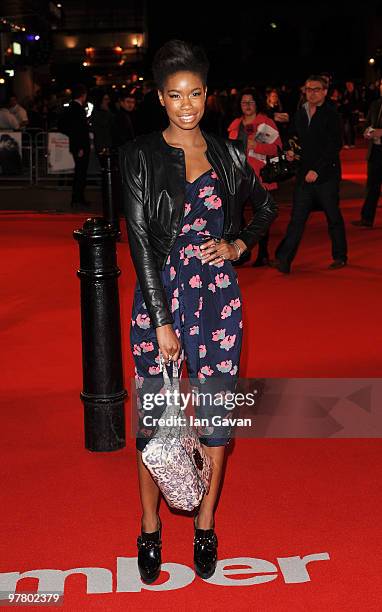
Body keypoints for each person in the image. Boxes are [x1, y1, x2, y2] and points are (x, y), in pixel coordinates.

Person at [119, 39, 277, 584]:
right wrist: (161, 320)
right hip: (158, 292)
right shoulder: (139, 154)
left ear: (207, 95)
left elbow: (268, 204)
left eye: (196, 94)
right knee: (154, 419)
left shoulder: (228, 153)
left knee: (215, 417)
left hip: (217, 297)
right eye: (175, 95)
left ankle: (205, 521)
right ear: (160, 98)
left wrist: (237, 246)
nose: (187, 104)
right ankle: (148, 526)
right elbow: (139, 239)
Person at [271, 75, 347, 273]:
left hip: (326, 176)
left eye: (316, 89)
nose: (311, 93)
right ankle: (284, 259)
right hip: (304, 174)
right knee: (297, 218)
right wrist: (290, 150)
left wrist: (317, 170)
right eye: (308, 89)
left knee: (333, 217)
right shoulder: (301, 112)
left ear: (324, 91)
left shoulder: (332, 113)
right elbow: (293, 136)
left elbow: (334, 145)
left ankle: (340, 256)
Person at [228, 88, 282, 266]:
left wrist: (256, 146)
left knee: (262, 215)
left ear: (257, 104)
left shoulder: (265, 123)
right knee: (236, 217)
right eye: (244, 102)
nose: (248, 106)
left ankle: (263, 253)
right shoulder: (235, 124)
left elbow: (276, 149)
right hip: (239, 176)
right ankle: (242, 252)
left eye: (251, 102)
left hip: (260, 176)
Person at [351, 80, 382, 228]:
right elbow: (368, 122)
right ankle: (367, 219)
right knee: (372, 187)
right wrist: (366, 130)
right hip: (375, 151)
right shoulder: (375, 104)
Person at [58, 84, 91, 208]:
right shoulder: (77, 109)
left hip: (77, 145)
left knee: (79, 172)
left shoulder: (71, 108)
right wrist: (80, 146)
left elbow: (63, 126)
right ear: (83, 95)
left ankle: (77, 198)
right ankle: (78, 198)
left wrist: (72, 137)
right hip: (80, 146)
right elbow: (79, 130)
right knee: (80, 173)